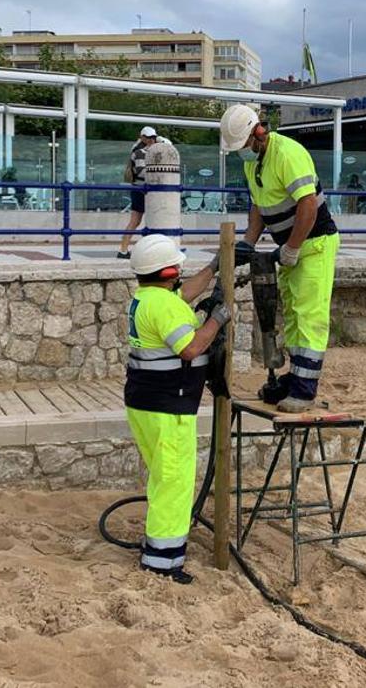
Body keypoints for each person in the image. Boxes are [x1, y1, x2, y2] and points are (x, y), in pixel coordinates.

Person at [125, 234, 232, 585]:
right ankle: (162, 561)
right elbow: (191, 348)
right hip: (169, 406)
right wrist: (218, 318)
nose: (181, 274)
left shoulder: (146, 298)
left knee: (162, 477)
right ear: (169, 270)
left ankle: (160, 547)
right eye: (178, 267)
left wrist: (216, 265)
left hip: (144, 402)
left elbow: (185, 295)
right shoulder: (164, 306)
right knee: (174, 481)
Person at [219, 103, 339, 413]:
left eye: (244, 145)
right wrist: (248, 241)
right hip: (291, 245)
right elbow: (260, 206)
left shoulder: (288, 154)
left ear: (258, 133)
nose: (242, 152)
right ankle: (296, 377)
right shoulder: (252, 162)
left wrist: (293, 248)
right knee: (294, 314)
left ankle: (304, 389)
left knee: (309, 314)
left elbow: (308, 205)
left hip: (314, 243)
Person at [117, 126, 164, 259]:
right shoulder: (139, 153)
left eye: (153, 137)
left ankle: (129, 250)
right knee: (136, 221)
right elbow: (141, 172)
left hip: (148, 190)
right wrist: (159, 174)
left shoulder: (151, 152)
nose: (151, 140)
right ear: (142, 138)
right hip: (140, 189)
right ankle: (124, 250)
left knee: (151, 220)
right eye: (148, 137)